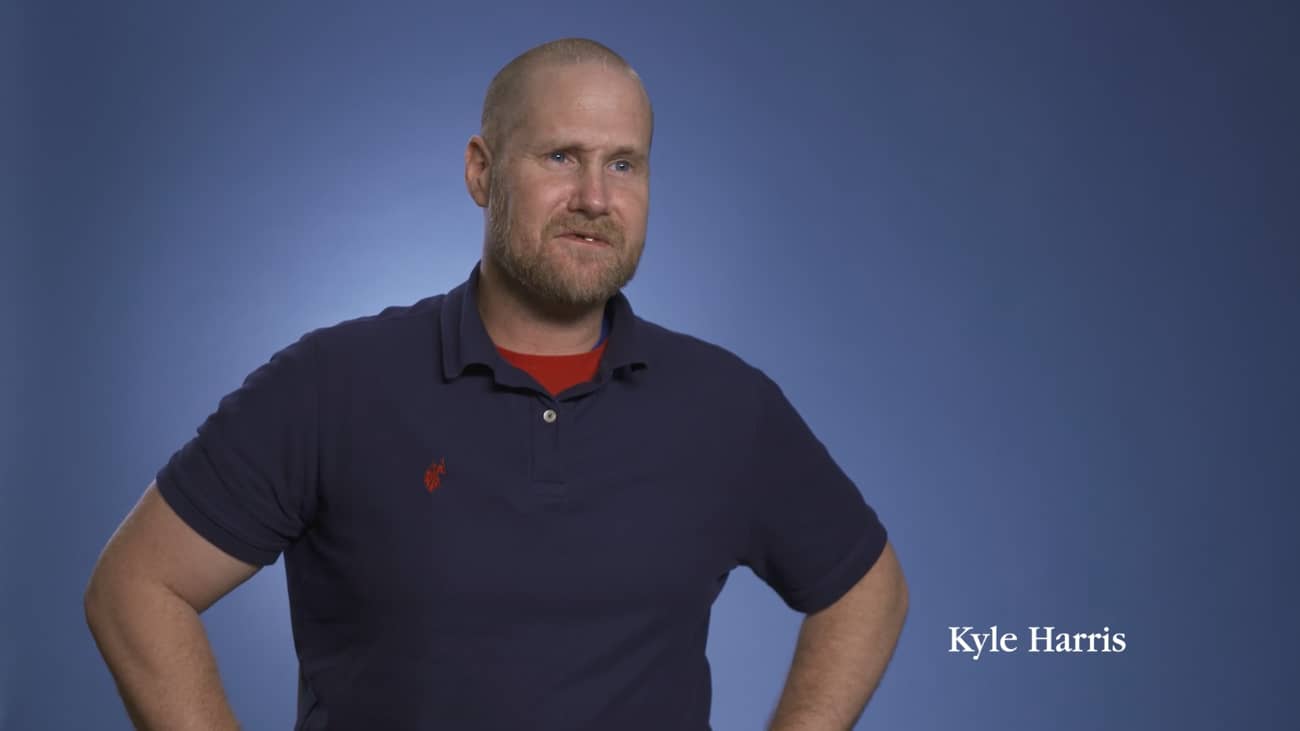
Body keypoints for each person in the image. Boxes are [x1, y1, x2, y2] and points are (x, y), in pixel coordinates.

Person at [83, 38, 908, 730]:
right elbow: (136, 588)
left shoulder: (725, 406)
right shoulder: (334, 384)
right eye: (561, 157)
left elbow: (869, 590)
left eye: (624, 164)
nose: (595, 197)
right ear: (481, 171)